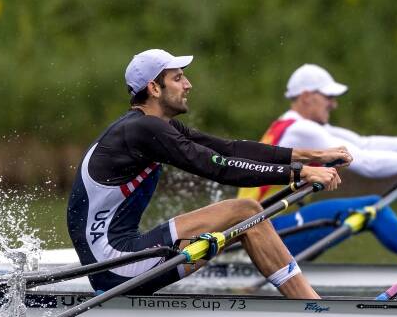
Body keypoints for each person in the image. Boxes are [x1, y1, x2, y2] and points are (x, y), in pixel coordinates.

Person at [67, 50, 353, 299]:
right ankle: (310, 304)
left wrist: (315, 156)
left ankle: (308, 301)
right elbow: (220, 168)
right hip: (114, 265)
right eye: (178, 78)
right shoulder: (143, 130)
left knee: (248, 212)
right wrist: (299, 173)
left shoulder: (153, 126)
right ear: (154, 88)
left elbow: (229, 149)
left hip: (120, 259)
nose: (188, 85)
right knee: (246, 211)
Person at [238, 64, 397, 269]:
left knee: (366, 208)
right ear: (305, 97)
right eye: (328, 97)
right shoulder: (302, 130)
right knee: (373, 209)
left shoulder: (291, 125)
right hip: (263, 232)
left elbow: (364, 143)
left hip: (260, 228)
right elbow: (368, 164)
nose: (333, 103)